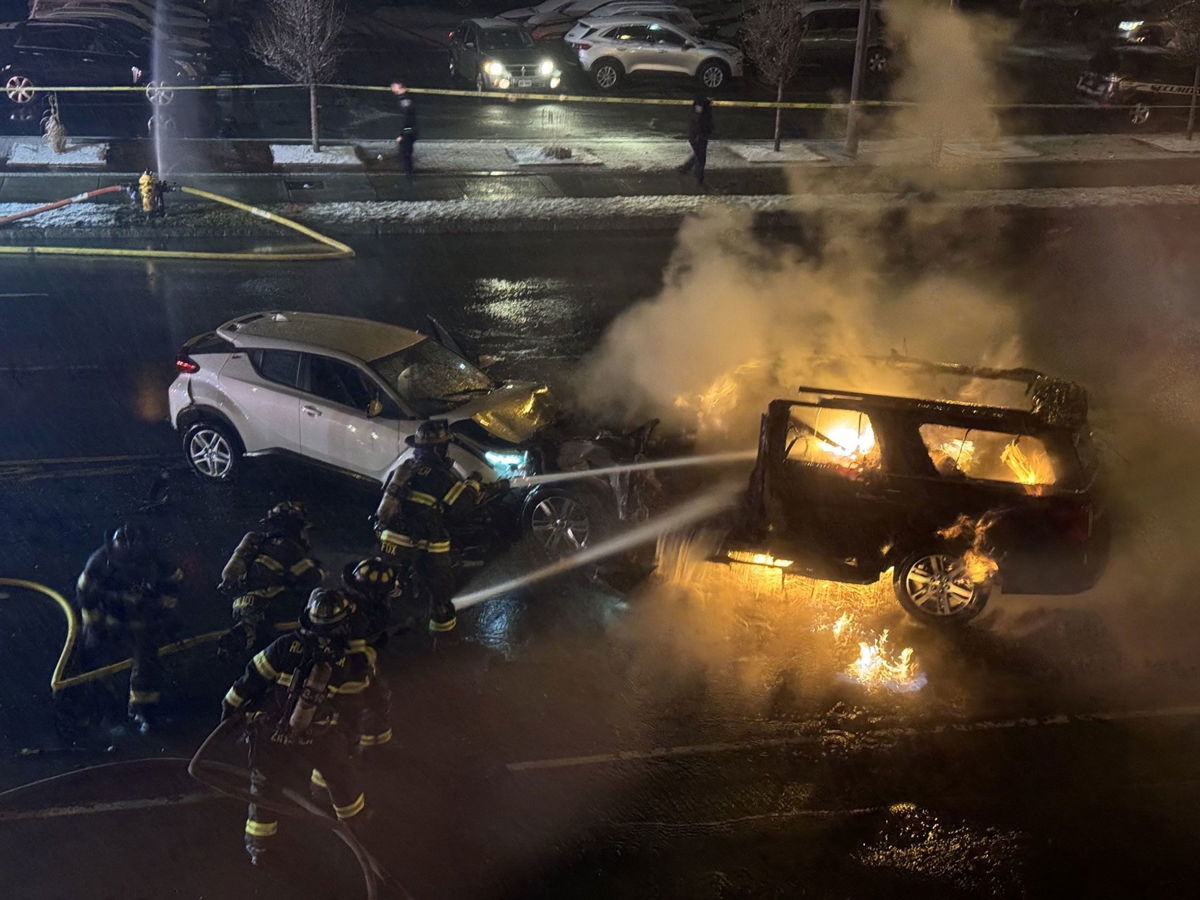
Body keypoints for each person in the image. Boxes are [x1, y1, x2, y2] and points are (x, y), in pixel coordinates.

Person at [222, 588, 375, 866]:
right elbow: (352, 706)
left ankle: (260, 848)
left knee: (264, 788)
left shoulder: (283, 646)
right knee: (342, 778)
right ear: (343, 625)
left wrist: (230, 713)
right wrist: (350, 737)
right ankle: (356, 832)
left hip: (271, 734)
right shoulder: (345, 661)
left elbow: (250, 680)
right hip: (319, 735)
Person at [374, 419, 504, 634]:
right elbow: (462, 506)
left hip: (390, 538)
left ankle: (387, 628)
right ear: (438, 447)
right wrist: (473, 482)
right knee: (441, 592)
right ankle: (442, 638)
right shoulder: (439, 475)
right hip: (427, 540)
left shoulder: (404, 468)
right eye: (444, 446)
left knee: (387, 585)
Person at [76, 522, 183, 733]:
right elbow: (85, 592)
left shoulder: (158, 561)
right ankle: (103, 713)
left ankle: (142, 713)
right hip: (109, 618)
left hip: (143, 621)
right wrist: (94, 624)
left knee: (147, 663)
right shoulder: (99, 562)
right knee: (94, 659)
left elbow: (173, 582)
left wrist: (164, 614)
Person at [217, 502, 324, 660]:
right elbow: (312, 578)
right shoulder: (291, 548)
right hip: (275, 615)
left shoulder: (259, 544)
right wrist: (320, 570)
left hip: (241, 608)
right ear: (295, 526)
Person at [341, 558, 396, 750]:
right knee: (372, 701)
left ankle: (365, 746)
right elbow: (369, 643)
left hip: (338, 661)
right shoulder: (371, 613)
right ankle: (366, 749)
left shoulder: (341, 599)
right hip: (354, 664)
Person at [676, 95, 713, 187]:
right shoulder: (701, 105)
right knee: (701, 157)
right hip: (698, 136)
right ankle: (699, 178)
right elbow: (698, 120)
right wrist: (699, 134)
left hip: (700, 135)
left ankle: (685, 169)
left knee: (698, 154)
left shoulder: (704, 105)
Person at [390, 81, 419, 182]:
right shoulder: (405, 98)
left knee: (405, 154)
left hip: (408, 132)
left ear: (400, 86)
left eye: (394, 86)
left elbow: (406, 120)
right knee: (406, 154)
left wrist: (402, 134)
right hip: (410, 131)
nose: (392, 88)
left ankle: (409, 176)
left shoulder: (405, 100)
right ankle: (409, 174)